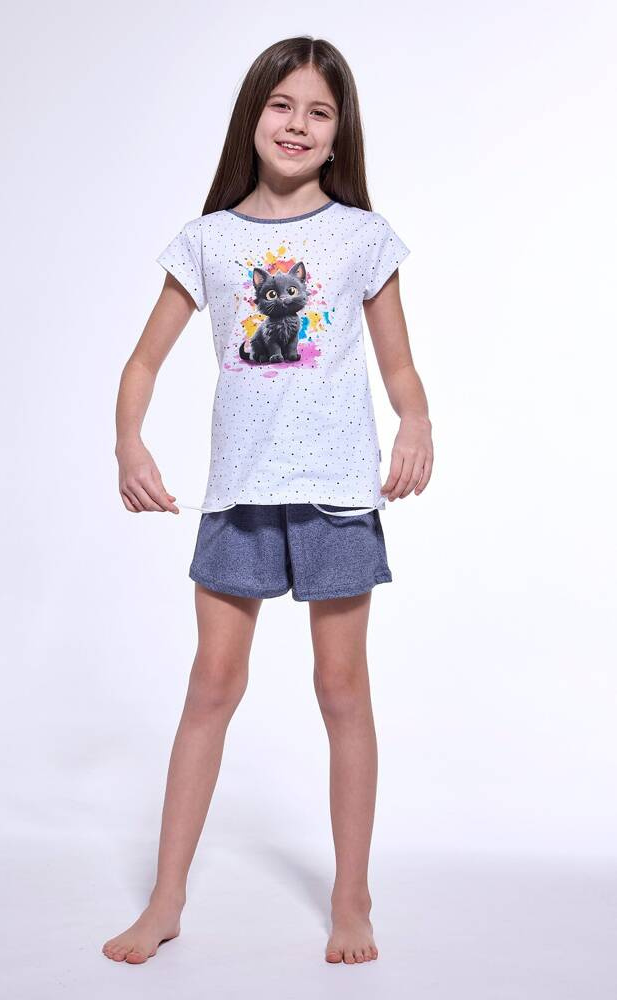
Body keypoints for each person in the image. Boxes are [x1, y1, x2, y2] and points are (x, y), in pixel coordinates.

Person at [103, 35, 433, 967]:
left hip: (335, 495)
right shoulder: (208, 240)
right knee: (211, 685)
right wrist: (130, 442)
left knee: (341, 689)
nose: (298, 124)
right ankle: (166, 899)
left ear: (339, 131)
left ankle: (352, 897)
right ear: (253, 114)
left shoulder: (362, 236)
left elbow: (401, 368)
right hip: (239, 495)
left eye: (319, 111)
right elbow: (142, 361)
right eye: (283, 105)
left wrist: (416, 423)